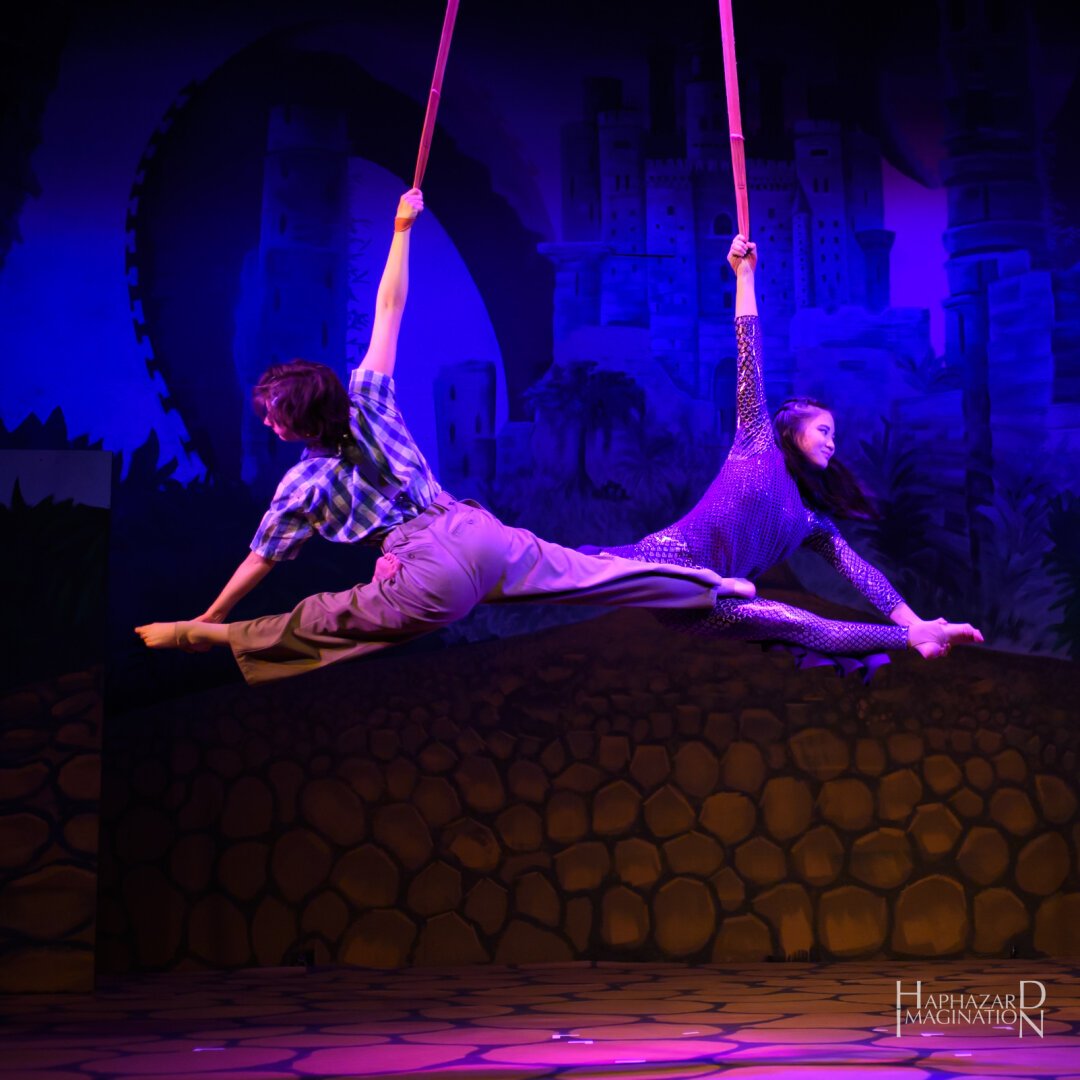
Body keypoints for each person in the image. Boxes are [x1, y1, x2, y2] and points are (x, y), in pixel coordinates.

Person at [135, 190, 754, 684]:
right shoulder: (368, 402)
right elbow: (389, 309)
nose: (269, 425)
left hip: (430, 574)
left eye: (274, 417)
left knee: (325, 620)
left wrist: (209, 615)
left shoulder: (303, 484)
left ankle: (208, 637)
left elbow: (260, 561)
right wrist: (402, 231)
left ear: (297, 423)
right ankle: (712, 588)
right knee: (589, 575)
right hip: (475, 533)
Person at [571, 234, 983, 664]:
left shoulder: (811, 521)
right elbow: (748, 350)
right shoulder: (757, 443)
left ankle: (911, 639)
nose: (832, 441)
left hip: (707, 608)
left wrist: (914, 623)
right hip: (670, 561)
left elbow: (862, 573)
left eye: (833, 434)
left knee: (802, 623)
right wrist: (744, 275)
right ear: (791, 428)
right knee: (582, 566)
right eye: (823, 429)